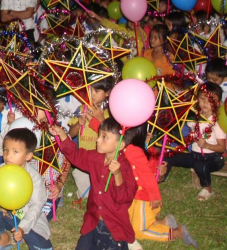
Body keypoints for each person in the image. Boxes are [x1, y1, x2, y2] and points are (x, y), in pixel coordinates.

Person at [103, 124, 198, 248]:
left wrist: (154, 194)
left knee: (137, 232)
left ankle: (177, 233)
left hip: (143, 198)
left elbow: (149, 175)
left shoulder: (136, 150)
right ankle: (165, 222)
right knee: (126, 225)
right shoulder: (130, 147)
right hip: (132, 197)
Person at [51, 117, 137, 250]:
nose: (97, 140)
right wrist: (62, 134)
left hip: (114, 227)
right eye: (99, 135)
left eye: (104, 137)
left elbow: (125, 198)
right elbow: (76, 156)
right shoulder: (96, 157)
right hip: (93, 222)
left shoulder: (124, 167)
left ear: (119, 145)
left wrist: (118, 175)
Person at [0, 128, 52, 250]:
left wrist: (22, 228)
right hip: (7, 214)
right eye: (5, 150)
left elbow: (36, 207)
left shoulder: (34, 178)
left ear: (28, 156)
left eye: (15, 151)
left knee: (42, 245)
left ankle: (22, 235)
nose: (8, 155)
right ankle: (4, 238)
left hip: (27, 219)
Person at [160, 82, 227, 201]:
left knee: (200, 165)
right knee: (170, 155)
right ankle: (161, 177)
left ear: (217, 103)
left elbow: (222, 148)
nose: (205, 103)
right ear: (197, 99)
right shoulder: (194, 118)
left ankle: (207, 188)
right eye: (202, 98)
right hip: (195, 155)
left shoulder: (217, 123)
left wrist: (207, 145)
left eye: (210, 100)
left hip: (213, 159)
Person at [67, 78, 113, 201]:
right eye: (90, 90)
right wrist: (77, 124)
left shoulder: (111, 113)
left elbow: (112, 136)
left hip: (103, 161)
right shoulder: (81, 109)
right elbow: (70, 134)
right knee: (85, 191)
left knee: (104, 191)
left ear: (107, 93)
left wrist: (101, 118)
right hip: (84, 159)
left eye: (96, 91)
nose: (91, 94)